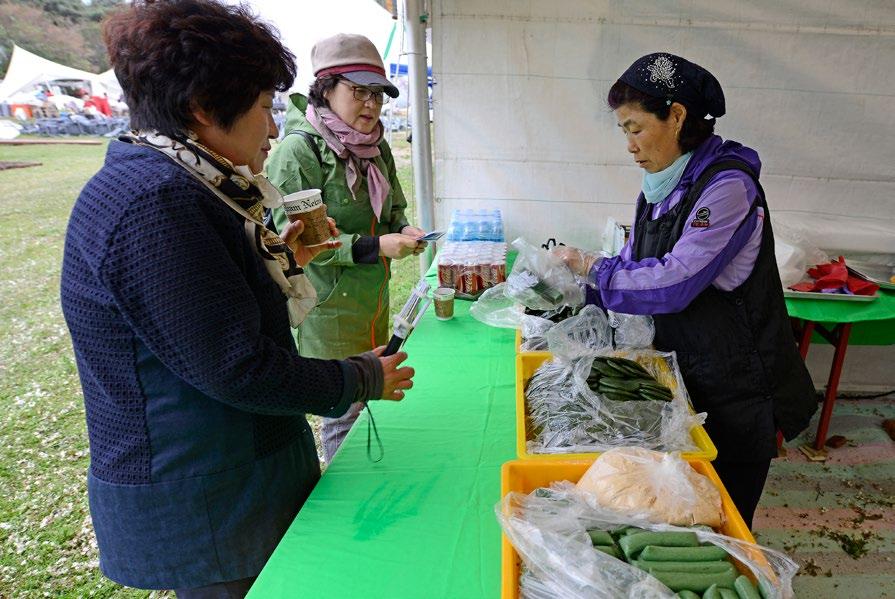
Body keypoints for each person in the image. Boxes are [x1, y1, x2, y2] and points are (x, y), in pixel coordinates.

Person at [59, 1, 414, 596]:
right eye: (264, 108)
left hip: (233, 482)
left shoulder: (177, 181)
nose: (275, 128)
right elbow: (235, 366)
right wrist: (358, 379)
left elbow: (203, 304)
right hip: (212, 500)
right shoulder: (154, 201)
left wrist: (281, 261)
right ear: (202, 108)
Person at [554, 52, 817, 528]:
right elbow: (637, 261)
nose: (629, 146)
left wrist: (595, 271)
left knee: (724, 518)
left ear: (676, 116)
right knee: (678, 512)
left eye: (635, 128)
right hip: (688, 375)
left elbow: (675, 279)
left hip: (738, 385)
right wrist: (582, 294)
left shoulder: (727, 187)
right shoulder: (658, 189)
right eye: (623, 132)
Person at [266, 33, 426, 462]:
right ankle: (345, 501)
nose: (371, 105)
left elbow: (394, 211)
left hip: (372, 302)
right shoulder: (298, 153)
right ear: (325, 89)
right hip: (327, 308)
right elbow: (306, 242)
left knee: (371, 394)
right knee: (342, 409)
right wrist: (377, 246)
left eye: (378, 94)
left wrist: (406, 232)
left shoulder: (377, 148)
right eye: (358, 92)